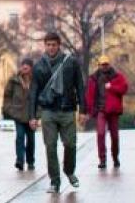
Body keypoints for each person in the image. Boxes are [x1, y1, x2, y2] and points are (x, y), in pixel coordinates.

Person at [29, 32, 85, 193]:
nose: (51, 47)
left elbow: (80, 86)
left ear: (59, 45)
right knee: (50, 146)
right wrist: (32, 116)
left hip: (67, 109)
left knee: (70, 144)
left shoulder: (70, 62)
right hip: (48, 111)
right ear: (45, 46)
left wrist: (83, 110)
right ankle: (55, 181)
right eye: (48, 45)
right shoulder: (39, 66)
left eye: (54, 45)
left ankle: (69, 171)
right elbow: (33, 92)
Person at [86, 57, 129, 169]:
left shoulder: (117, 76)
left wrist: (112, 87)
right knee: (100, 134)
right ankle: (102, 160)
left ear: (109, 64)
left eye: (106, 64)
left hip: (113, 111)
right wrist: (89, 111)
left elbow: (124, 89)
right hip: (101, 110)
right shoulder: (94, 78)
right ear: (99, 65)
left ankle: (115, 158)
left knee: (114, 136)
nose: (104, 66)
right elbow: (89, 95)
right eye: (102, 64)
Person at [1, 58, 36, 171]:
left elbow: (40, 98)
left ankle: (30, 161)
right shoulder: (13, 81)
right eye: (23, 65)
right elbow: (7, 96)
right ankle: (20, 160)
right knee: (20, 137)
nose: (24, 67)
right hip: (18, 115)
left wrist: (37, 115)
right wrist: (9, 109)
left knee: (31, 139)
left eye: (27, 65)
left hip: (31, 116)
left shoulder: (35, 81)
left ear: (31, 67)